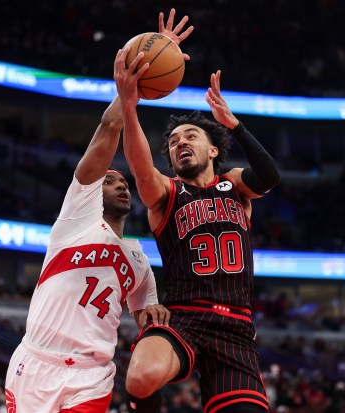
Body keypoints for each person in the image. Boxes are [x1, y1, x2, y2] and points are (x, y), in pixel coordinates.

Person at [4, 10, 193, 412]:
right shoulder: (75, 218)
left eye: (124, 182)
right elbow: (108, 132)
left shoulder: (139, 261)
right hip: (37, 362)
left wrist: (155, 318)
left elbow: (147, 317)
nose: (121, 183)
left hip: (92, 375)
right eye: (111, 180)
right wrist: (130, 89)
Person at [114, 39, 281, 413]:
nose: (180, 143)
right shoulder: (166, 192)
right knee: (140, 376)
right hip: (184, 316)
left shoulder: (235, 185)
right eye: (173, 142)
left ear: (213, 150)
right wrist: (129, 105)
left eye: (190, 136)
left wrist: (234, 125)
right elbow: (141, 166)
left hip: (235, 328)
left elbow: (269, 176)